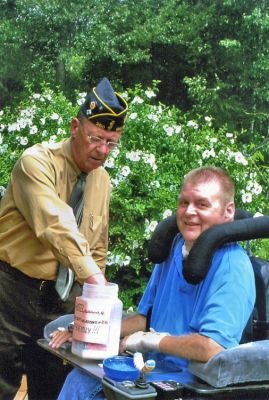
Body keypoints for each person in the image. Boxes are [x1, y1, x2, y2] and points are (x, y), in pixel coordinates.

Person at [50, 166, 256, 400]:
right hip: (148, 370)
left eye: (202, 204)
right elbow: (145, 319)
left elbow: (213, 347)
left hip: (187, 383)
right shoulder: (173, 250)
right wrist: (85, 332)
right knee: (78, 380)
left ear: (228, 212)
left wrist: (151, 340)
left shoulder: (232, 267)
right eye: (184, 203)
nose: (189, 212)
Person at [0, 77, 128, 400]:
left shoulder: (103, 183)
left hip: (61, 300)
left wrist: (92, 310)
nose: (103, 151)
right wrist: (96, 279)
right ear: (75, 127)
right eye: (96, 138)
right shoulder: (36, 163)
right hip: (10, 292)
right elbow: (57, 226)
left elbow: (96, 248)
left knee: (54, 387)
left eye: (112, 143)